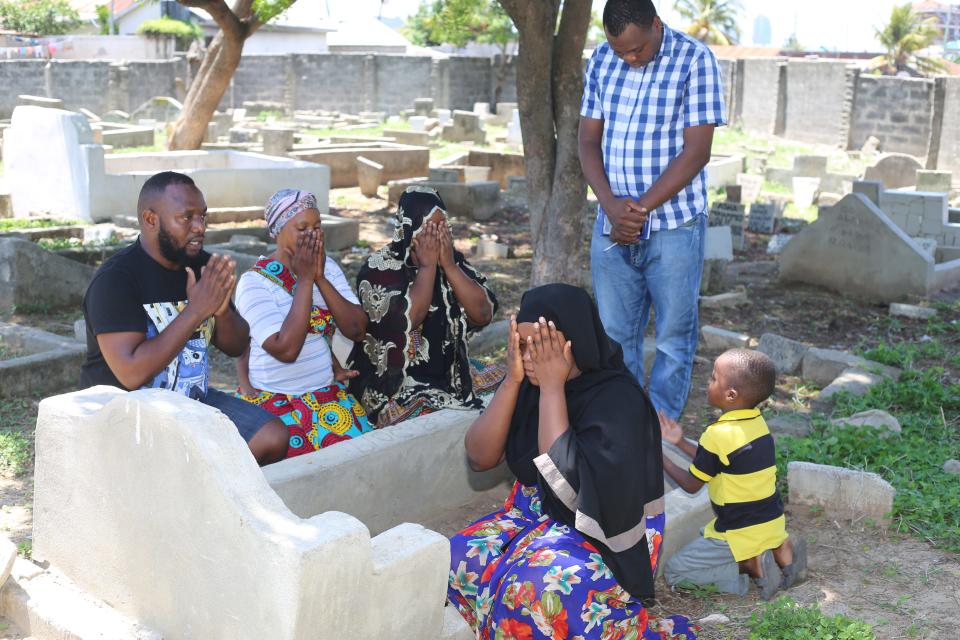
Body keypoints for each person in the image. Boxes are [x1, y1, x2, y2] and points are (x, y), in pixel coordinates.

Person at [448, 284, 698, 639]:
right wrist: (512, 381)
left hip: (602, 531)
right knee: (459, 556)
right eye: (522, 344)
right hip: (534, 516)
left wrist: (552, 389)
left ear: (573, 342)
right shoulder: (528, 382)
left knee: (534, 587)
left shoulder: (617, 400)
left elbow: (570, 486)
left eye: (542, 345)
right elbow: (479, 457)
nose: (530, 356)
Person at [579, 0, 727, 421]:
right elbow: (588, 141)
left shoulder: (695, 60)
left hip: (674, 226)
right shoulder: (603, 59)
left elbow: (697, 151)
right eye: (620, 50)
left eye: (638, 49)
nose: (629, 58)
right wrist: (611, 207)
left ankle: (661, 434)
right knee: (614, 338)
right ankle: (624, 430)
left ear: (656, 25)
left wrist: (638, 210)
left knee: (673, 340)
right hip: (611, 227)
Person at [80, 171, 289, 466]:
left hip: (191, 400)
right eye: (186, 218)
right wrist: (196, 310)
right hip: (128, 412)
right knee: (186, 467)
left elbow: (237, 345)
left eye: (203, 216)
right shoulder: (116, 280)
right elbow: (130, 372)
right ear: (151, 219)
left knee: (272, 437)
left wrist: (220, 311)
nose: (199, 227)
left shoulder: (201, 265)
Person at [234, 189, 373, 457]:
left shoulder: (327, 268)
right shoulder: (254, 283)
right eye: (302, 227)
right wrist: (306, 281)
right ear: (277, 230)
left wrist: (320, 277)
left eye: (317, 226)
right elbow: (285, 350)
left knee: (356, 464)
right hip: (276, 400)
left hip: (326, 397)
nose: (312, 234)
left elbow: (356, 330)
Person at [660, 349, 808, 600]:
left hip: (738, 530)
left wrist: (659, 458)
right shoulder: (757, 424)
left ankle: (750, 567)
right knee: (702, 538)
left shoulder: (716, 435)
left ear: (730, 394)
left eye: (713, 378)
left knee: (675, 570)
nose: (708, 383)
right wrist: (679, 442)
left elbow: (691, 485)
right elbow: (715, 458)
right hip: (770, 522)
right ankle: (782, 554)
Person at [347, 186, 502, 427]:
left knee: (511, 393)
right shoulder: (380, 269)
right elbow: (411, 319)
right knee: (430, 421)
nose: (437, 237)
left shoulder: (452, 261)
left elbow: (482, 314)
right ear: (409, 228)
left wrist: (449, 267)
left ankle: (542, 464)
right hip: (393, 383)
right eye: (429, 229)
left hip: (452, 373)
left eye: (443, 227)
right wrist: (428, 269)